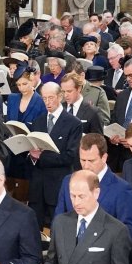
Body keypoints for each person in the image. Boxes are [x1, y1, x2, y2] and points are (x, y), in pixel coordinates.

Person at [27, 82, 84, 227]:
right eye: (44, 98)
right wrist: (32, 156)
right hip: (37, 186)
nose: (47, 102)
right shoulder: (37, 122)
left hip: (57, 185)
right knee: (35, 228)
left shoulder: (74, 123)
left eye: (50, 98)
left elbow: (70, 156)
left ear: (60, 96)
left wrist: (42, 156)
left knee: (58, 228)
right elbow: (33, 152)